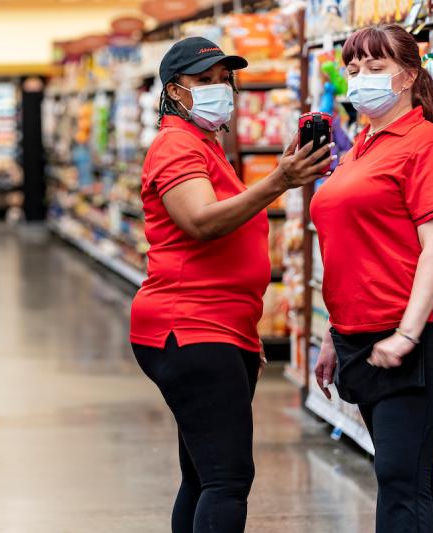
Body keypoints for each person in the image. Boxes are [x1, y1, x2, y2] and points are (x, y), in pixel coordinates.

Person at [130, 37, 333, 533]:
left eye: (225, 80)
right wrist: (277, 182)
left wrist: (244, 331)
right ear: (175, 92)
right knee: (227, 477)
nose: (219, 90)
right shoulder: (176, 145)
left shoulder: (204, 145)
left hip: (216, 326)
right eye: (204, 82)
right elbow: (200, 222)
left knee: (202, 475)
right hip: (190, 325)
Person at [312, 24, 433, 533]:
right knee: (408, 473)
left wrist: (407, 332)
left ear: (407, 76)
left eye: (376, 69)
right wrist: (333, 335)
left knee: (399, 474)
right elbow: (351, 251)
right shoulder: (362, 146)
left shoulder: (431, 146)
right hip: (363, 331)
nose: (361, 80)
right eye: (354, 70)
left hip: (424, 328)